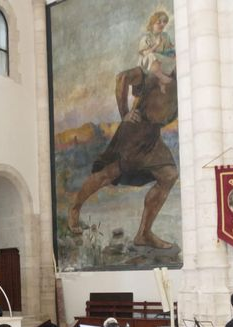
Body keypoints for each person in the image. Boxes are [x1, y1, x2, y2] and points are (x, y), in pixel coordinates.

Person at [67, 40, 178, 250]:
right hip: (134, 133)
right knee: (108, 174)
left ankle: (144, 234)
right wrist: (125, 112)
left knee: (169, 175)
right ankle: (75, 207)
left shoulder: (180, 86)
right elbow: (122, 78)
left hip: (152, 138)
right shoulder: (147, 75)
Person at [138, 11, 175, 94]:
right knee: (151, 56)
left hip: (162, 60)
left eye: (164, 22)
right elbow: (144, 54)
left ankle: (162, 82)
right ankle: (162, 77)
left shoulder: (165, 36)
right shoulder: (146, 37)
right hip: (148, 63)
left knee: (175, 56)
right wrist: (156, 45)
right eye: (159, 22)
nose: (162, 24)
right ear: (152, 24)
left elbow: (168, 49)